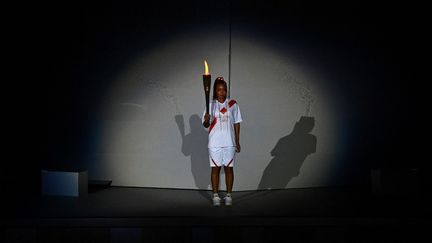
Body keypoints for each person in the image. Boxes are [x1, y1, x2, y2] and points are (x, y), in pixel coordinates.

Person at [202, 77, 242, 206]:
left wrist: (237, 140)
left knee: (229, 169)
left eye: (224, 90)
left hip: (229, 142)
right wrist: (207, 119)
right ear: (215, 90)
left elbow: (236, 123)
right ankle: (215, 196)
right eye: (219, 90)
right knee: (215, 170)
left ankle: (229, 195)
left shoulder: (233, 104)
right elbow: (205, 125)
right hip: (214, 143)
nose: (222, 92)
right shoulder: (210, 105)